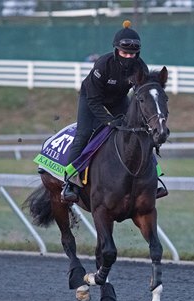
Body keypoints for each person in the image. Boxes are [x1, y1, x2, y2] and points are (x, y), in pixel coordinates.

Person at [62, 20, 159, 203]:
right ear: (116, 50)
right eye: (124, 53)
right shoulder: (103, 64)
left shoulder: (140, 67)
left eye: (132, 54)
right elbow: (93, 100)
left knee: (140, 133)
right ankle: (69, 182)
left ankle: (156, 177)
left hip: (119, 99)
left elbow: (142, 94)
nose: (129, 57)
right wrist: (108, 121)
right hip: (91, 98)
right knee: (83, 134)